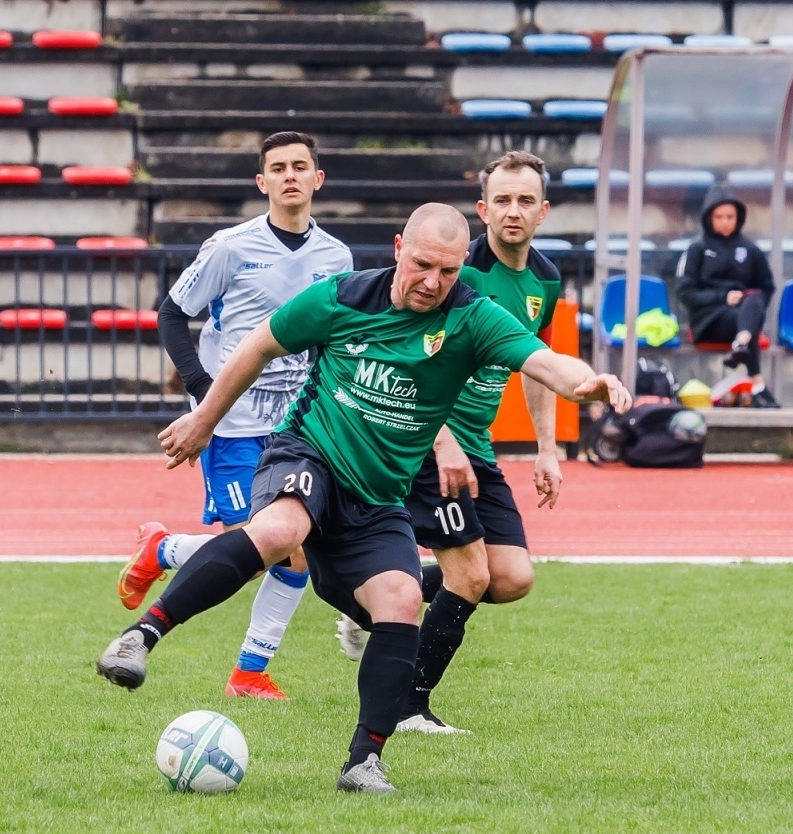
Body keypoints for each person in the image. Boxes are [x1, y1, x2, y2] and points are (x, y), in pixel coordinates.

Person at [95, 204, 631, 794]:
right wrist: (204, 421)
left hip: (377, 500)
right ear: (399, 248)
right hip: (309, 455)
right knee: (280, 531)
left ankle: (363, 761)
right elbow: (257, 346)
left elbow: (543, 360)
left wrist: (586, 383)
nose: (433, 282)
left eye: (448, 271)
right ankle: (140, 638)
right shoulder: (341, 298)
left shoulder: (473, 317)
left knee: (402, 597)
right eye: (422, 264)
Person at [117, 132, 353, 700]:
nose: (290, 175)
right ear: (262, 181)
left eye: (300, 166)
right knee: (257, 550)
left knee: (294, 549)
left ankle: (249, 672)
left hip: (298, 428)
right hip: (234, 425)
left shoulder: (337, 258)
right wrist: (205, 392)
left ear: (318, 179)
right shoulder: (230, 247)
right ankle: (162, 550)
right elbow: (172, 313)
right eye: (279, 167)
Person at [349, 150, 565, 736]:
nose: (513, 211)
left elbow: (537, 364)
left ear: (543, 211)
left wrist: (546, 448)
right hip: (430, 439)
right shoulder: (454, 273)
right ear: (482, 209)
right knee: (469, 575)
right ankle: (408, 705)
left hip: (478, 446)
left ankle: (377, 596)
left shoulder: (546, 279)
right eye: (502, 200)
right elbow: (411, 358)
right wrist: (439, 437)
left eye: (525, 200)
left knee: (511, 577)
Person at [675, 185, 779, 406]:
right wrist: (722, 297)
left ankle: (741, 344)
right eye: (719, 217)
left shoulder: (751, 250)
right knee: (750, 320)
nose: (725, 221)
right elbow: (685, 292)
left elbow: (767, 287)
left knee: (754, 300)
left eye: (730, 216)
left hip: (741, 319)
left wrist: (749, 306)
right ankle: (758, 386)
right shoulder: (696, 249)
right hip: (709, 321)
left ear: (738, 217)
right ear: (709, 217)